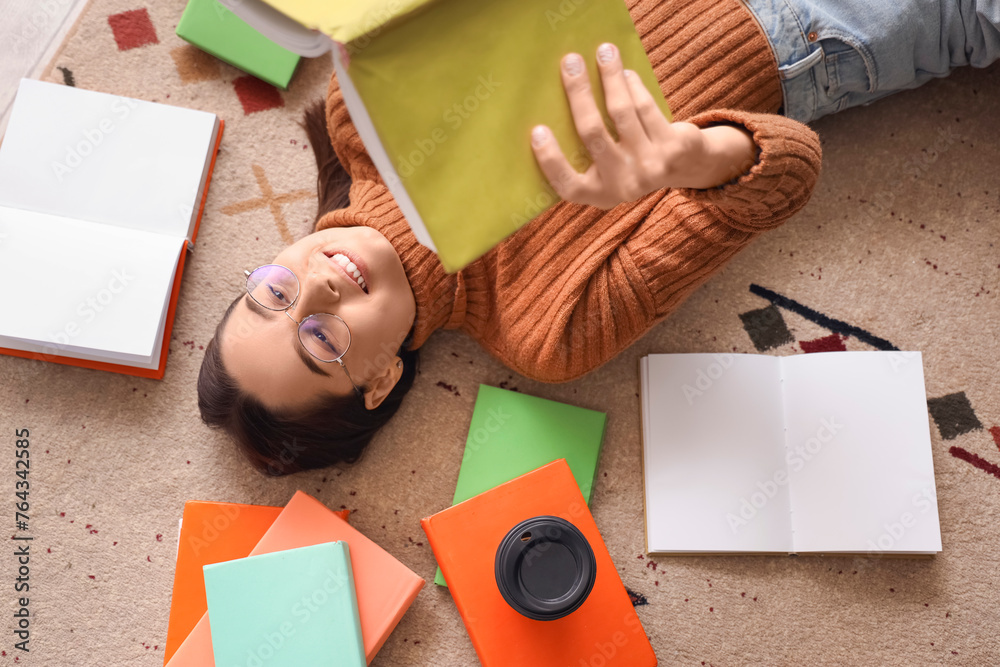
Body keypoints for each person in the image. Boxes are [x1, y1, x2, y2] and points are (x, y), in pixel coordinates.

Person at [198, 0, 1000, 475]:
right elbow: (789, 168)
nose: (315, 287)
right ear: (377, 384)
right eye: (317, 338)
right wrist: (681, 159)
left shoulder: (356, 118)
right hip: (813, 28)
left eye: (272, 294)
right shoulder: (548, 327)